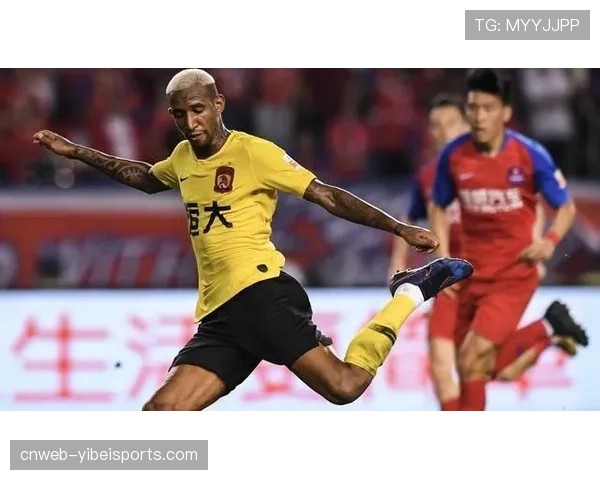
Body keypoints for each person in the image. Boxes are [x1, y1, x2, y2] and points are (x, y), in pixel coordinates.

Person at [33, 68, 474, 412]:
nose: (190, 123)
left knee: (345, 386)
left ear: (218, 104)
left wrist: (399, 228)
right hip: (220, 316)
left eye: (198, 110)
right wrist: (78, 152)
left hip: (260, 295)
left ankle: (409, 293)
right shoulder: (182, 157)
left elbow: (327, 195)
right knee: (163, 411)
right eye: (179, 114)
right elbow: (146, 178)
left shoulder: (254, 153)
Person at [391, 94, 579, 413]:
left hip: (490, 276)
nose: (443, 131)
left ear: (466, 125)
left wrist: (536, 245)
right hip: (450, 281)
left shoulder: (490, 165)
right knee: (444, 369)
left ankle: (546, 329)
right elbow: (409, 220)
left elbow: (530, 207)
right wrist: (398, 262)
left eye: (451, 123)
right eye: (435, 125)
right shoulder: (428, 177)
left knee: (490, 368)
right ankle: (548, 329)